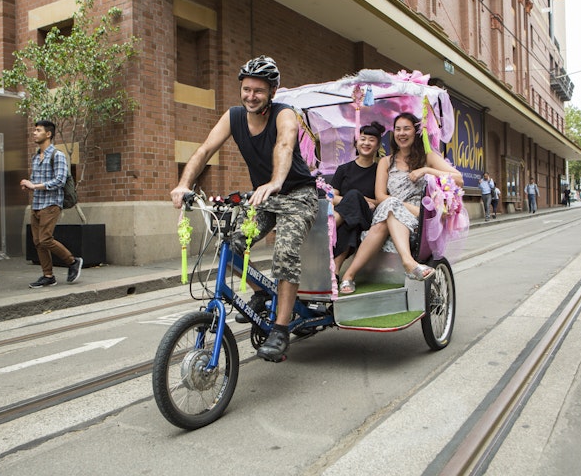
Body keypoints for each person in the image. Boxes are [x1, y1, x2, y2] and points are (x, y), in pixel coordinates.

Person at [170, 56, 317, 363]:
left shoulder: (284, 114)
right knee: (230, 244)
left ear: (272, 92)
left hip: (296, 194)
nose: (251, 96)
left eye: (259, 91)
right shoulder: (234, 116)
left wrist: (276, 180)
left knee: (285, 253)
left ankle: (280, 329)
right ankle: (261, 292)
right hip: (263, 196)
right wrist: (184, 184)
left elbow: (285, 145)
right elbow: (205, 149)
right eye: (247, 89)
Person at [338, 112, 464, 294]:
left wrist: (426, 170)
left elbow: (458, 178)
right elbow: (380, 196)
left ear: (416, 132)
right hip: (389, 212)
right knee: (389, 208)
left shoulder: (427, 157)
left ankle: (349, 276)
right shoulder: (386, 161)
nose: (401, 133)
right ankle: (407, 263)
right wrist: (399, 205)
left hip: (417, 218)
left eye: (407, 129)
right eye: (397, 129)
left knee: (389, 211)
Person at [20, 120, 83, 288]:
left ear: (48, 134)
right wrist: (29, 184)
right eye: (34, 130)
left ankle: (73, 261)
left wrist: (35, 186)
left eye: (38, 130)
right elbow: (36, 181)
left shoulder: (58, 155)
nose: (34, 133)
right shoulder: (35, 157)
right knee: (38, 242)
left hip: (51, 204)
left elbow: (60, 180)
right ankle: (48, 275)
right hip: (37, 204)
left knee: (46, 239)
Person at [330, 122, 384, 275]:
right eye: (363, 139)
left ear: (377, 145)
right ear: (357, 142)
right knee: (352, 223)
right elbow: (331, 197)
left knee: (354, 195)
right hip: (353, 219)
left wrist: (361, 200)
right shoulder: (343, 169)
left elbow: (382, 200)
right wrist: (353, 202)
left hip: (369, 218)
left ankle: (330, 226)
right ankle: (335, 270)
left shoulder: (380, 170)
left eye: (371, 140)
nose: (366, 143)